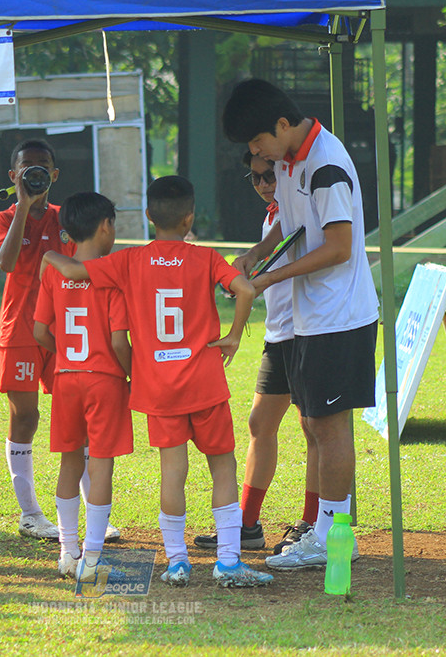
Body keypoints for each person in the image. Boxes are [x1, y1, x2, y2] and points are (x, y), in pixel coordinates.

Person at [44, 176, 273, 588]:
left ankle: (177, 560)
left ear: (149, 216)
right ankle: (228, 561)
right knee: (223, 467)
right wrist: (235, 333)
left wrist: (46, 255)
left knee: (173, 470)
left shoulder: (130, 261)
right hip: (203, 380)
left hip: (157, 385)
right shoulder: (205, 258)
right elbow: (244, 288)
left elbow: (76, 269)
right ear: (190, 218)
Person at [223, 78, 378, 571]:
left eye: (258, 143)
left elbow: (338, 247)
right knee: (314, 424)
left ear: (283, 125)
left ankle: (334, 540)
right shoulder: (290, 162)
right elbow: (292, 229)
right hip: (314, 317)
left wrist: (269, 278)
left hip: (339, 316)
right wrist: (254, 255)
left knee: (329, 429)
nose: (257, 154)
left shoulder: (326, 165)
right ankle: (325, 530)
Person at [0, 139, 118, 542]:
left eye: (43, 167)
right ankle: (30, 513)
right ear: (13, 176)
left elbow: (88, 262)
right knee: (25, 417)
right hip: (22, 331)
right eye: (27, 167)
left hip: (66, 332)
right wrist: (24, 207)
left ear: (55, 174)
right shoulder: (5, 217)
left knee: (78, 420)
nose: (36, 173)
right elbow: (6, 263)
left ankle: (89, 512)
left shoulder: (69, 218)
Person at [195, 151, 313, 555]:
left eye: (269, 176)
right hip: (279, 334)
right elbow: (271, 239)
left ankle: (313, 522)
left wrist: (255, 269)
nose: (263, 184)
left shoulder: (300, 204)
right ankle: (247, 525)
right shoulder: (274, 212)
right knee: (261, 425)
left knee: (314, 430)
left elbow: (288, 237)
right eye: (255, 178)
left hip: (309, 331)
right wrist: (249, 262)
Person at [32, 192, 132, 580]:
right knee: (100, 464)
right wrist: (130, 375)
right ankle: (91, 559)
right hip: (104, 380)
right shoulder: (112, 274)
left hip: (66, 379)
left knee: (69, 461)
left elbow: (40, 330)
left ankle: (67, 552)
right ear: (105, 226)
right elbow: (120, 340)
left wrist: (69, 357)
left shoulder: (55, 270)